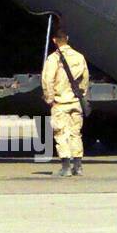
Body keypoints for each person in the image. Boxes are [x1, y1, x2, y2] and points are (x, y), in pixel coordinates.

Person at [41, 19, 90, 177]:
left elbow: (47, 79)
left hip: (60, 102)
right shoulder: (79, 57)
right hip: (75, 101)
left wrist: (49, 98)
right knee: (76, 133)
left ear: (54, 40)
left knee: (61, 133)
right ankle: (78, 166)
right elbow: (85, 79)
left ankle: (66, 167)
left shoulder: (53, 59)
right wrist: (80, 93)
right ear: (67, 38)